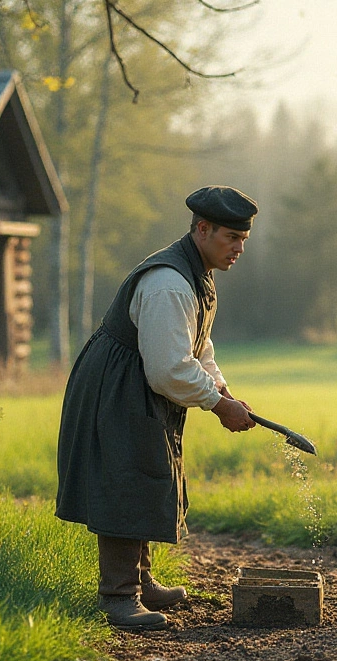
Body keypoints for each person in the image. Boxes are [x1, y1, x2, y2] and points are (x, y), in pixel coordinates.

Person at [56, 186, 259, 630]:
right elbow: (168, 370)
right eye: (231, 238)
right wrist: (216, 406)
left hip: (142, 381)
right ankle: (117, 596)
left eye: (243, 239)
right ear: (202, 229)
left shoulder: (199, 273)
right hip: (121, 385)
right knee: (127, 477)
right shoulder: (169, 282)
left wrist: (221, 390)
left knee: (149, 473)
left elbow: (197, 344)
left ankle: (141, 581)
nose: (239, 248)